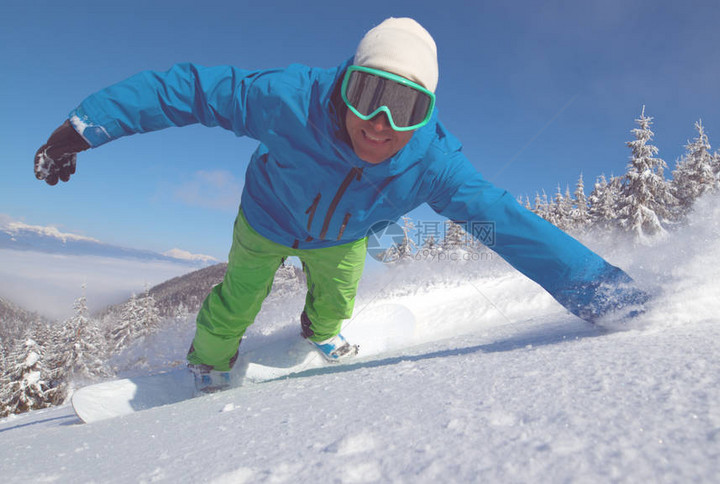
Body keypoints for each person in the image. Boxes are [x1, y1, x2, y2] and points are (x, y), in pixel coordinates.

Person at [34, 18, 648, 392]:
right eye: (368, 94)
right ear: (346, 82)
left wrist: (603, 295)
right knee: (238, 297)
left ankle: (318, 332)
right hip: (266, 219)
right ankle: (207, 360)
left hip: (343, 238)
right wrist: (84, 128)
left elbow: (504, 222)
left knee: (338, 297)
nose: (379, 124)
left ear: (426, 116)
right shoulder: (288, 100)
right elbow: (189, 89)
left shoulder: (434, 164)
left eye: (404, 107)